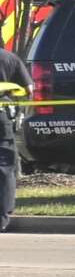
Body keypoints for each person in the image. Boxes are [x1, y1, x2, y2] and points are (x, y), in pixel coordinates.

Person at [0, 47, 32, 232]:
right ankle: (2, 216)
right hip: (2, 118)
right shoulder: (9, 58)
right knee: (5, 166)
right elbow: (29, 89)